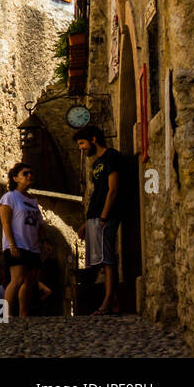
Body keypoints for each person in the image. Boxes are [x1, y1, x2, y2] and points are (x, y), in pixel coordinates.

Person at [74, 125, 123, 315]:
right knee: (100, 262)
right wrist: (87, 222)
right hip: (95, 218)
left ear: (93, 139)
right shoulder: (96, 164)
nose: (81, 148)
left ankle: (106, 303)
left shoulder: (112, 157)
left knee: (108, 260)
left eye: (82, 143)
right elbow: (96, 194)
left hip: (106, 217)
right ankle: (114, 301)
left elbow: (113, 189)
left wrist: (103, 217)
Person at [0, 162, 43, 318]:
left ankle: (24, 315)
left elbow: (39, 224)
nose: (29, 175)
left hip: (33, 246)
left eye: (31, 173)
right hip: (18, 244)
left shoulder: (33, 201)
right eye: (25, 173)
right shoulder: (9, 197)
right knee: (16, 280)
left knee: (29, 282)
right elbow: (5, 222)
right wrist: (11, 244)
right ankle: (6, 315)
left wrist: (43, 243)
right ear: (15, 178)